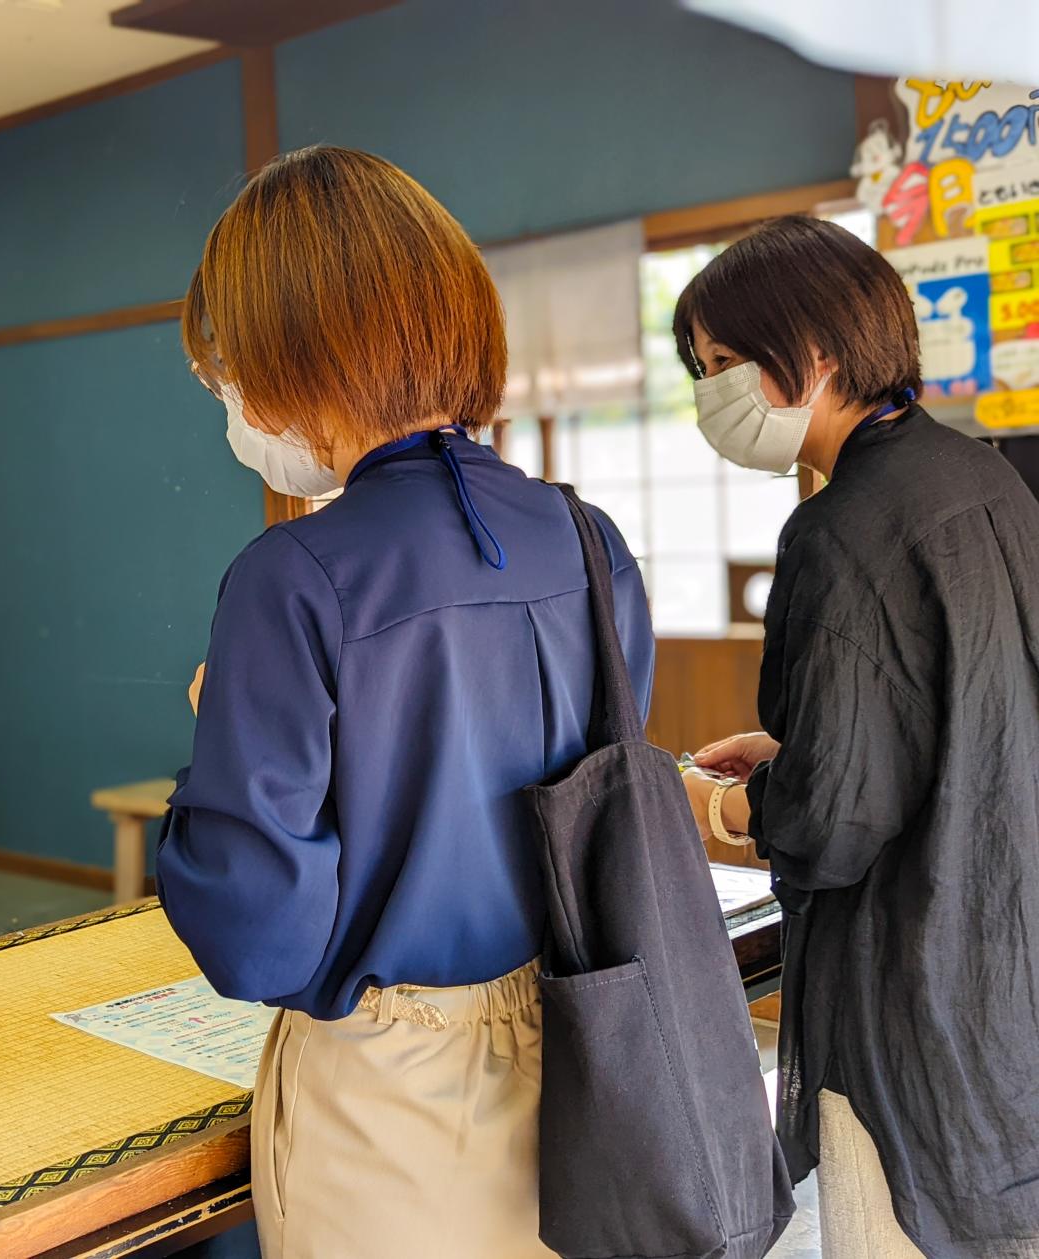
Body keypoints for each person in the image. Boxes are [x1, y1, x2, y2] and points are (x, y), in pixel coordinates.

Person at [156, 147, 653, 1259]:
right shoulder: (585, 539)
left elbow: (259, 938)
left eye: (226, 368)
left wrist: (216, 741)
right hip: (584, 1052)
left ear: (292, 350)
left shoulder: (294, 574)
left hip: (392, 1090)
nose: (230, 400)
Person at [676, 216, 1039, 1258]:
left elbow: (829, 826)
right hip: (1007, 958)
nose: (712, 394)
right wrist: (799, 749)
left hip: (910, 994)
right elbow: (958, 710)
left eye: (723, 364)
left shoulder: (836, 532)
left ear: (818, 351)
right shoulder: (987, 480)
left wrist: (727, 806)